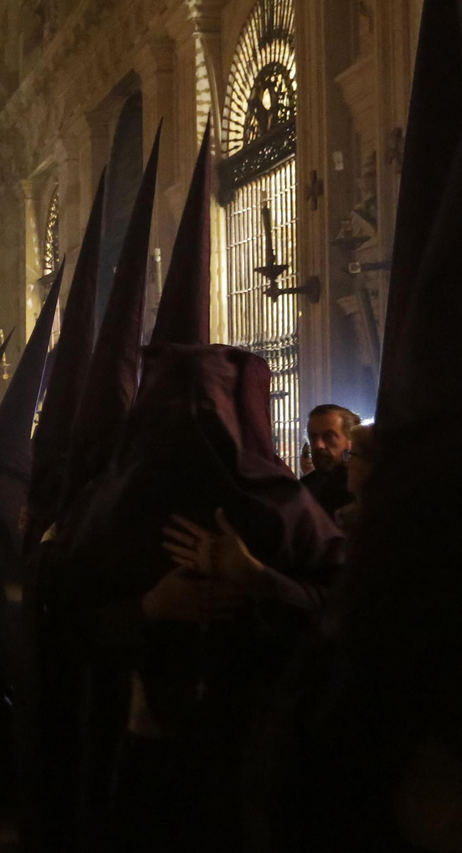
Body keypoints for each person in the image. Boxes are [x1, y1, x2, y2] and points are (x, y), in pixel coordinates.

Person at [67, 345, 344, 852]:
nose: (193, 438)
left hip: (258, 753)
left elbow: (345, 617)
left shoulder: (289, 511)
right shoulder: (115, 508)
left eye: (210, 417)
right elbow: (67, 625)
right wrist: (150, 607)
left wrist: (256, 576)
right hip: (143, 751)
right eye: (178, 418)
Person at [303, 404, 359, 518]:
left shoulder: (362, 491)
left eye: (329, 436)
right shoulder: (303, 490)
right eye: (313, 437)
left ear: (350, 441)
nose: (319, 445)